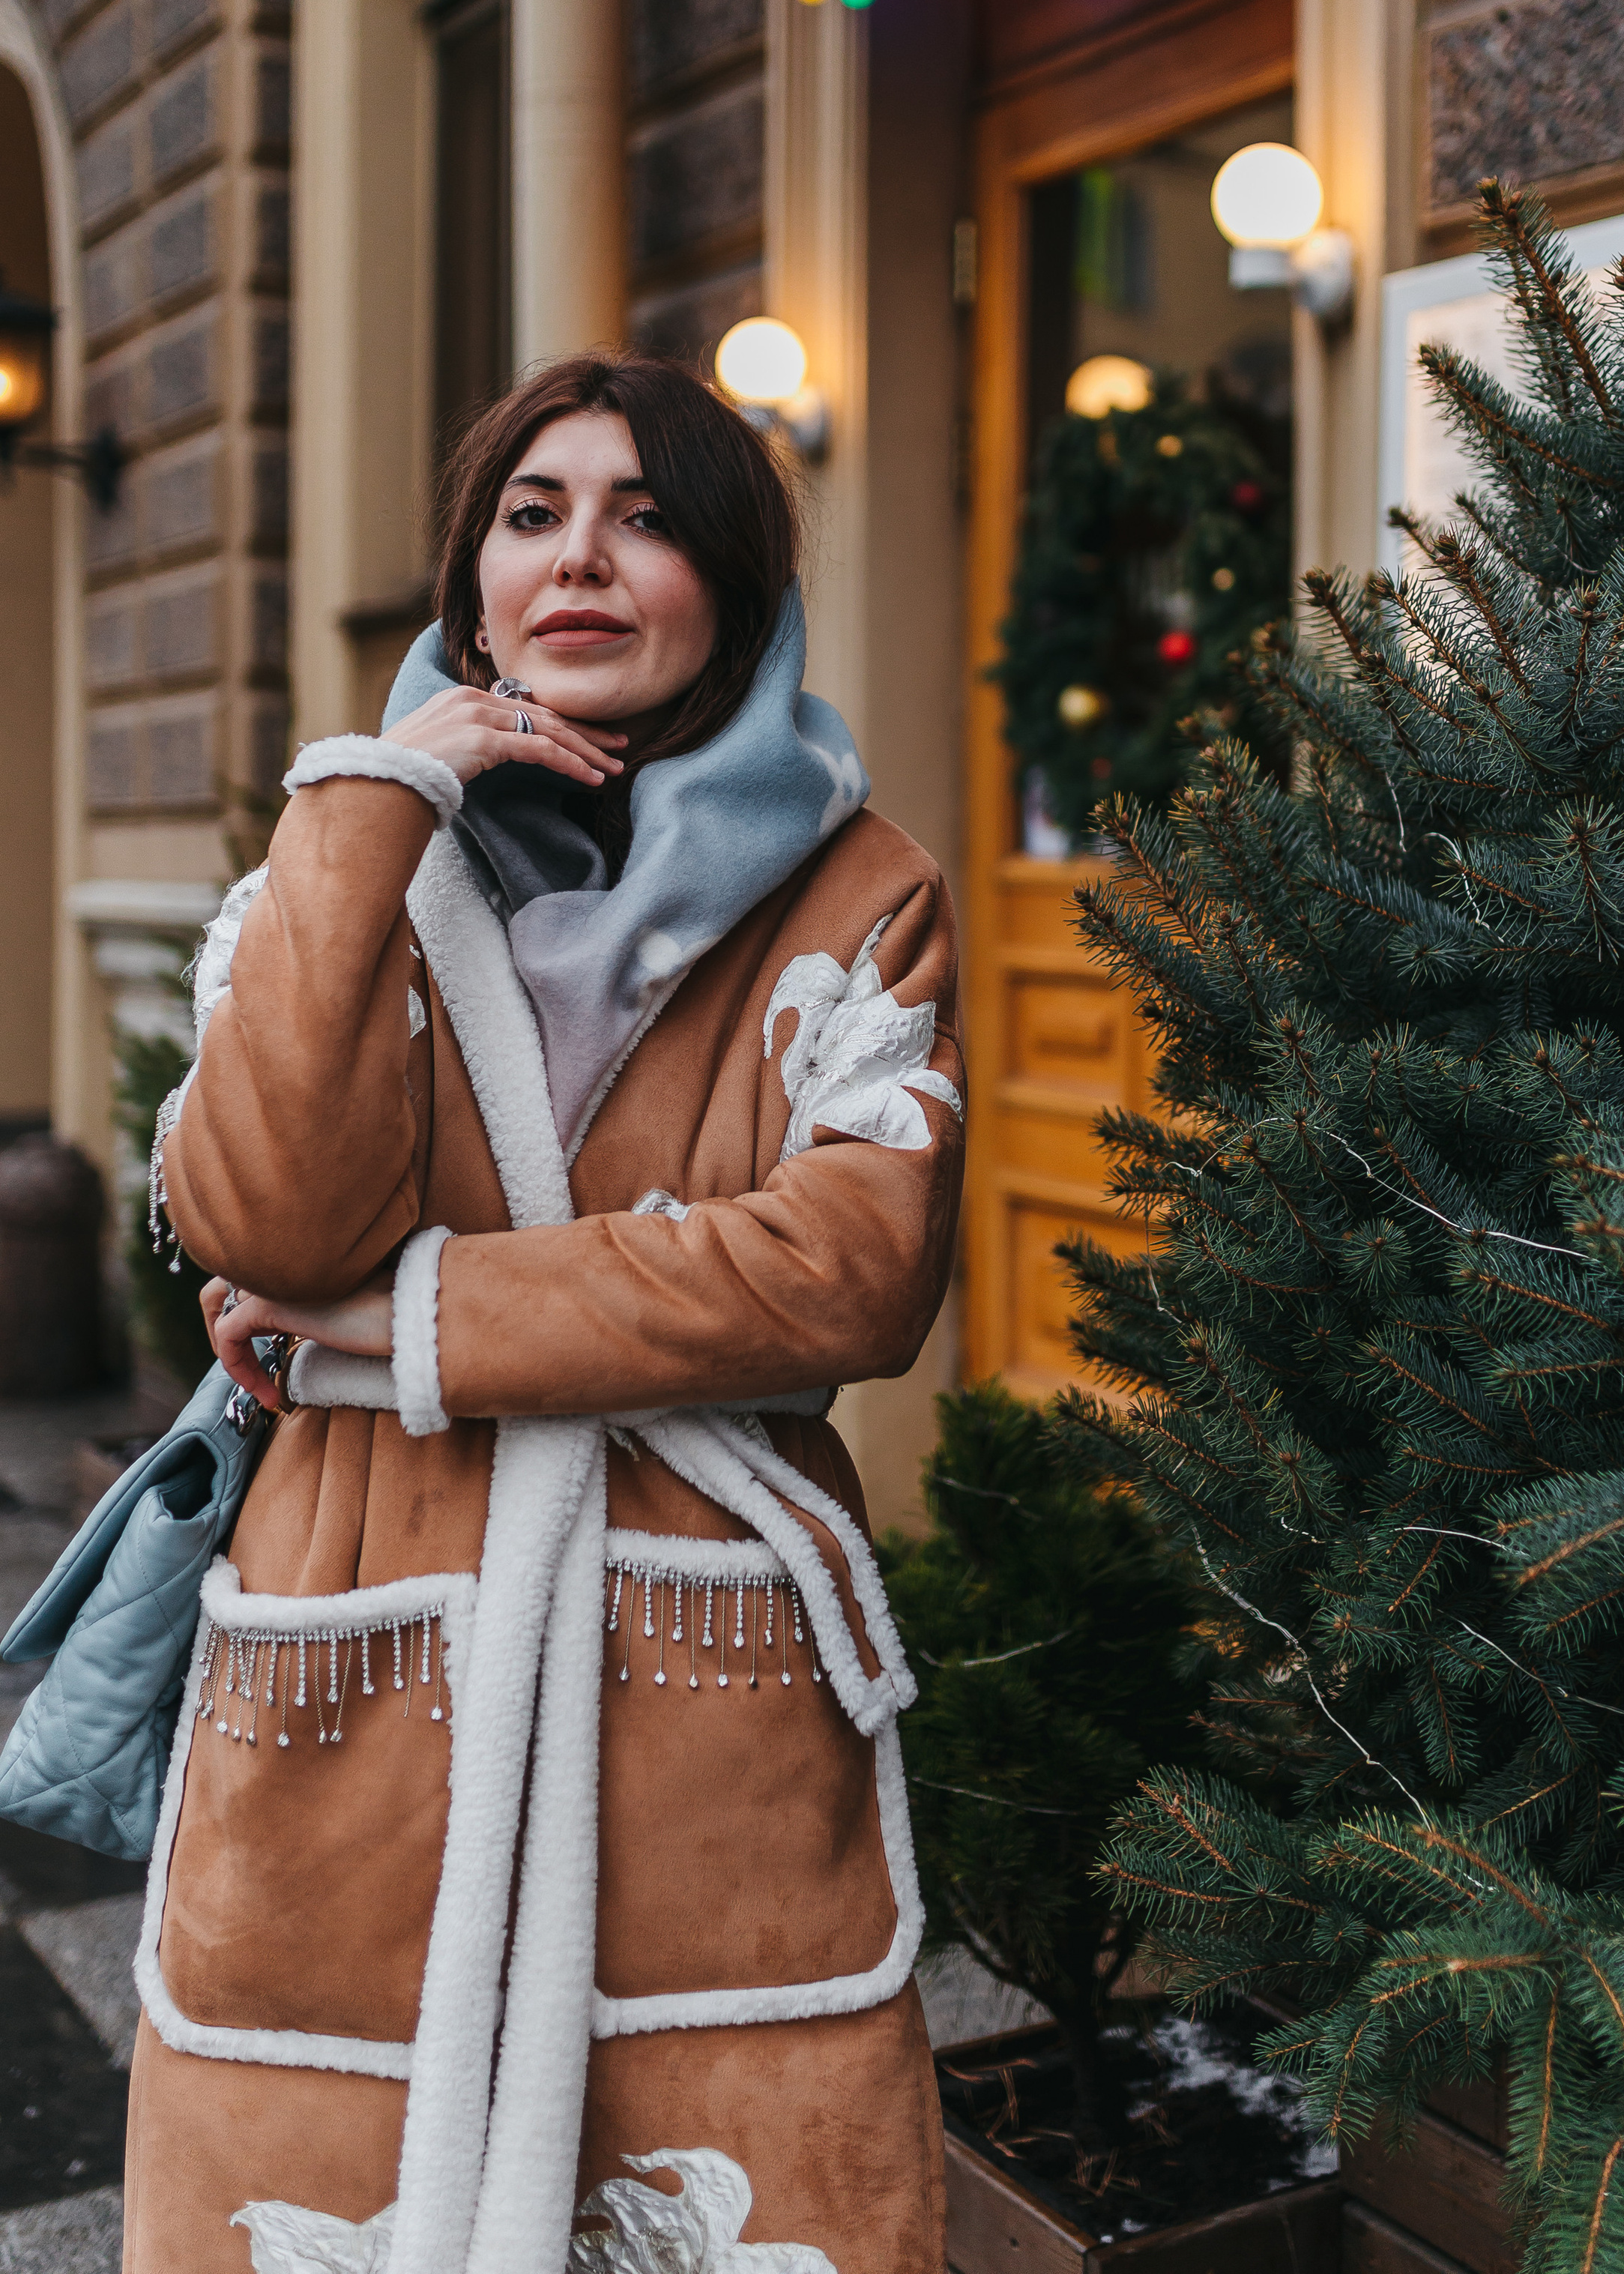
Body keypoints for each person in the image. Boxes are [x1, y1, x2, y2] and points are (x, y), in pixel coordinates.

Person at [125, 353, 964, 2274]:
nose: (581, 559)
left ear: (736, 589)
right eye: (532, 514)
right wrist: (379, 803)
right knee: (314, 2173)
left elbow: (846, 1269)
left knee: (728, 2182)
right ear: (470, 577)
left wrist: (382, 1328)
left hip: (694, 1635)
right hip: (365, 1616)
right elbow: (250, 1210)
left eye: (647, 517)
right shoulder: (332, 865)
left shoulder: (860, 889)